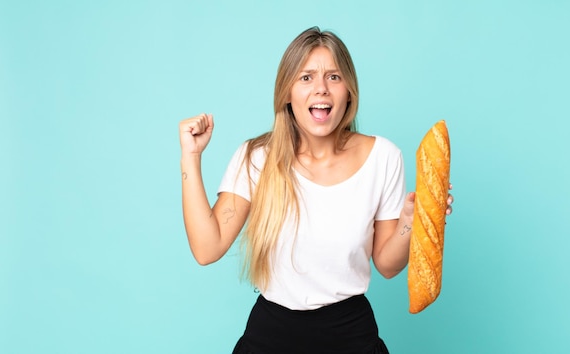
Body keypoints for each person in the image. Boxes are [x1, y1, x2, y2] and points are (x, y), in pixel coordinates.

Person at [179, 26, 453, 354]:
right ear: (287, 92)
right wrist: (191, 157)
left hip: (351, 336)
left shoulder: (384, 157)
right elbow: (207, 249)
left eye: (334, 77)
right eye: (306, 77)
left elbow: (387, 265)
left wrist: (413, 219)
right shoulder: (257, 157)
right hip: (270, 337)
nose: (321, 89)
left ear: (349, 91)